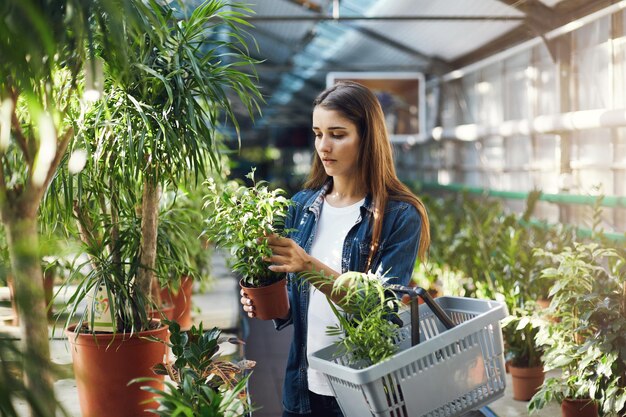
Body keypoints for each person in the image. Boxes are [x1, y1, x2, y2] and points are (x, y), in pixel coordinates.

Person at [239, 81, 430, 417]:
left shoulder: (400, 216)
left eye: (337, 134)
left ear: (367, 139)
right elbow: (301, 305)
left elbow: (379, 306)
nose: (323, 146)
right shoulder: (301, 207)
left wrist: (307, 265)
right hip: (303, 388)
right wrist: (269, 304)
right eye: (317, 133)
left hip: (363, 394)